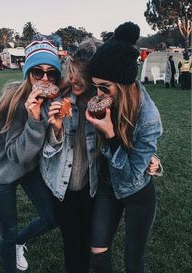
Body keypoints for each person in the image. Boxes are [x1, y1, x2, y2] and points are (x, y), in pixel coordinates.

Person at [40, 38, 161, 273]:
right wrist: (55, 128)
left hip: (115, 188)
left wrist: (149, 157)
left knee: (124, 258)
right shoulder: (77, 97)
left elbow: (134, 152)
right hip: (84, 186)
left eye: (79, 76)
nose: (73, 80)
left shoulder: (131, 111)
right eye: (70, 74)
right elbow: (47, 151)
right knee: (86, 251)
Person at [85, 22, 163, 273]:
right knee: (97, 252)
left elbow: (130, 174)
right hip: (108, 187)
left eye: (104, 88)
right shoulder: (105, 97)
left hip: (137, 193)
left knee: (133, 262)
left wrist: (109, 134)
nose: (97, 93)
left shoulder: (149, 119)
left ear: (124, 84)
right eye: (95, 85)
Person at [0, 38, 61, 273]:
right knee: (8, 230)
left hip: (28, 170)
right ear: (28, 73)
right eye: (38, 72)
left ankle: (20, 241)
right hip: (2, 174)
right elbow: (18, 155)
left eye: (51, 73)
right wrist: (35, 120)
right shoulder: (13, 100)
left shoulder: (50, 99)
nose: (45, 79)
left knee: (52, 217)